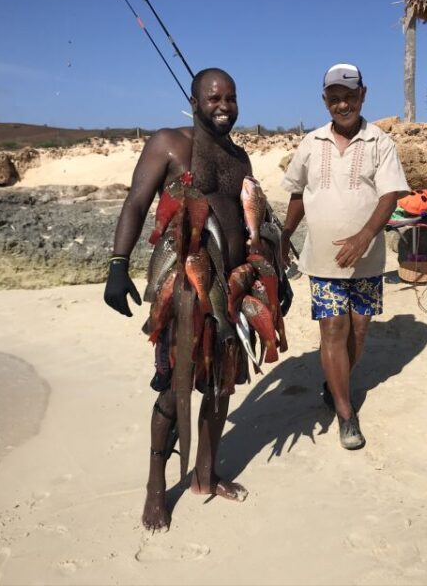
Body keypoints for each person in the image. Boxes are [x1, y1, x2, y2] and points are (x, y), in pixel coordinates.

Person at [104, 68, 252, 532]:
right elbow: (135, 203)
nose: (223, 105)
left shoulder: (239, 156)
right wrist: (117, 264)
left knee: (221, 386)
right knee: (174, 391)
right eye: (213, 98)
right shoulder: (169, 143)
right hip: (185, 290)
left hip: (230, 286)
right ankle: (155, 488)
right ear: (193, 100)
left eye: (230, 97)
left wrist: (269, 274)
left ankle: (206, 475)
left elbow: (249, 220)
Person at [280, 63, 410, 450]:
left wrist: (365, 235)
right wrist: (283, 234)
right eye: (334, 98)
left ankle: (334, 381)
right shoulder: (311, 143)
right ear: (325, 101)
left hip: (367, 260)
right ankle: (345, 412)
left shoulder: (379, 142)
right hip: (322, 259)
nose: (342, 105)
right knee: (333, 329)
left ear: (362, 96)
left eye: (349, 97)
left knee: (359, 330)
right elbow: (297, 193)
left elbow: (390, 195)